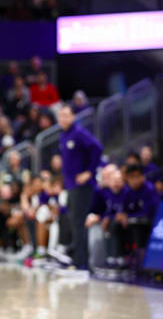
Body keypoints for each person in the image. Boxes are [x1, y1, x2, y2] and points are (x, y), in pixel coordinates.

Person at [58, 105, 103, 270]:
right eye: (60, 116)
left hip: (83, 187)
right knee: (73, 221)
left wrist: (89, 172)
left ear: (73, 117)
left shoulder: (79, 133)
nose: (62, 119)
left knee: (78, 222)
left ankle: (81, 262)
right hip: (71, 185)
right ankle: (76, 258)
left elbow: (97, 148)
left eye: (65, 115)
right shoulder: (64, 135)